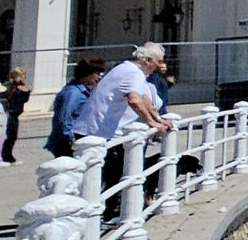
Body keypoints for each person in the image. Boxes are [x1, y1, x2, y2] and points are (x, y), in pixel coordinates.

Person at [75, 43, 176, 218]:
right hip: (99, 134)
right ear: (148, 60)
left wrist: (158, 119)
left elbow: (145, 98)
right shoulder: (132, 73)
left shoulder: (131, 71)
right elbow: (134, 100)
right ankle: (102, 216)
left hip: (103, 133)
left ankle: (109, 213)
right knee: (109, 177)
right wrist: (152, 124)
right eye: (158, 61)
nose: (160, 65)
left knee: (116, 175)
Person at [44, 58, 106, 158]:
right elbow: (64, 119)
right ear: (87, 73)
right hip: (67, 144)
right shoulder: (73, 93)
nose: (99, 77)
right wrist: (71, 140)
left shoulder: (84, 91)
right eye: (97, 74)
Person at [1, 67, 31, 165]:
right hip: (10, 113)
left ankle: (3, 155)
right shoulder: (11, 86)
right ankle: (6, 156)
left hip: (15, 113)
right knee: (10, 136)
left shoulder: (18, 87)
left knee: (12, 136)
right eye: (23, 76)